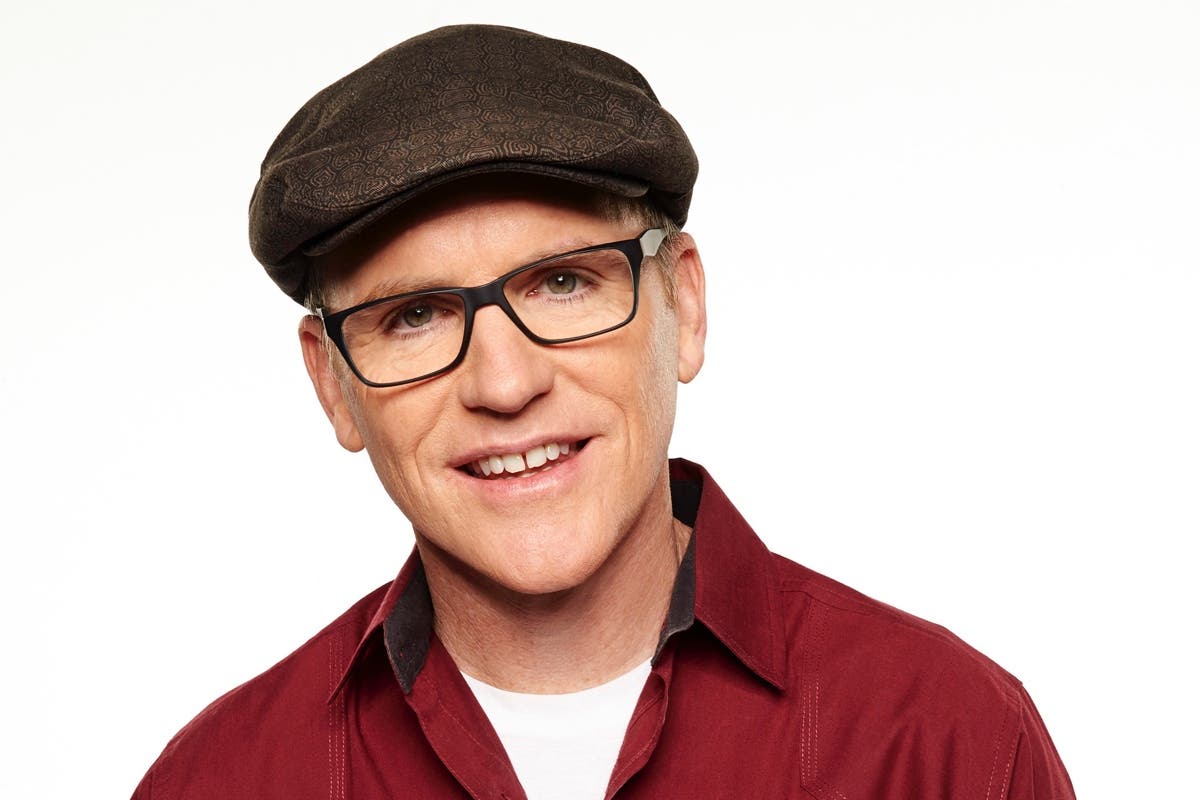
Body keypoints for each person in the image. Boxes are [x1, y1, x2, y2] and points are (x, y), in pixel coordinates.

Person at [133, 24, 1074, 800]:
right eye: (414, 316)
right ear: (334, 383)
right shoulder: (220, 784)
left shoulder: (947, 745)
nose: (505, 384)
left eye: (563, 284)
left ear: (684, 307)